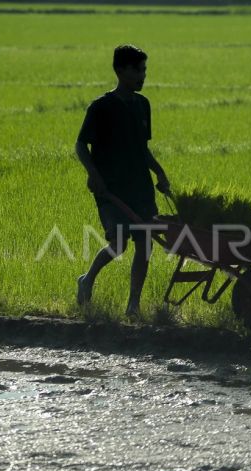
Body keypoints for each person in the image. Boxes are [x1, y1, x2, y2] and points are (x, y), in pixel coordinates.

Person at [75, 44, 170, 317]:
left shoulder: (143, 105)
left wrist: (160, 173)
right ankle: (87, 279)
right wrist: (94, 175)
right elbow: (81, 146)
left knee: (145, 243)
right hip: (111, 188)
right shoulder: (101, 108)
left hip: (140, 186)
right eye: (138, 70)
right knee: (119, 244)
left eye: (144, 70)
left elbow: (142, 149)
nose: (143, 76)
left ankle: (133, 305)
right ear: (121, 71)